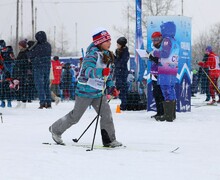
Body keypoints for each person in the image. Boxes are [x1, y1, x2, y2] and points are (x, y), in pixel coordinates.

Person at [49, 27, 122, 147]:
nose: (110, 43)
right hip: (85, 91)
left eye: (109, 40)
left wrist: (111, 86)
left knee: (107, 114)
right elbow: (87, 71)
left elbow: (107, 74)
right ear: (99, 42)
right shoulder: (92, 55)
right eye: (106, 41)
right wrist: (101, 72)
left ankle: (109, 140)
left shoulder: (107, 55)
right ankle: (55, 129)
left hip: (98, 92)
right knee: (75, 117)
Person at [148, 22, 179, 122]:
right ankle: (172, 114)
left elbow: (165, 54)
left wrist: (154, 53)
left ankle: (168, 115)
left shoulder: (166, 40)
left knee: (166, 90)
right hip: (172, 69)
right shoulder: (175, 41)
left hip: (165, 69)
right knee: (171, 90)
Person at [27, 31, 52, 109]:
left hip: (37, 67)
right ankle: (48, 102)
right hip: (47, 67)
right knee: (46, 85)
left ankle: (42, 102)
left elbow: (30, 54)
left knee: (39, 85)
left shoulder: (37, 46)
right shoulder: (48, 45)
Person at [148, 32, 164, 119]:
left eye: (156, 39)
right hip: (154, 73)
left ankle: (163, 112)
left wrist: (153, 58)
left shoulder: (163, 48)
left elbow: (163, 60)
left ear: (160, 39)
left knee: (161, 93)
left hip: (161, 73)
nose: (154, 42)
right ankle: (159, 112)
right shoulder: (154, 49)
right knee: (156, 93)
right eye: (153, 40)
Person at [12, 39, 30, 108]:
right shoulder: (21, 52)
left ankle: (23, 102)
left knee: (23, 87)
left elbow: (25, 62)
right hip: (18, 72)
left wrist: (18, 62)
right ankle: (19, 101)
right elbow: (19, 61)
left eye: (19, 45)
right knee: (17, 87)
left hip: (23, 72)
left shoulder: (26, 52)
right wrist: (15, 60)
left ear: (22, 46)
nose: (18, 46)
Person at [114, 37, 130, 110]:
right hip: (117, 71)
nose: (117, 45)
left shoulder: (125, 52)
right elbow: (117, 61)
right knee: (119, 87)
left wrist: (115, 61)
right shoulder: (117, 51)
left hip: (122, 71)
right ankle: (123, 102)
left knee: (123, 87)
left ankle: (124, 103)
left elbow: (122, 62)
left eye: (118, 44)